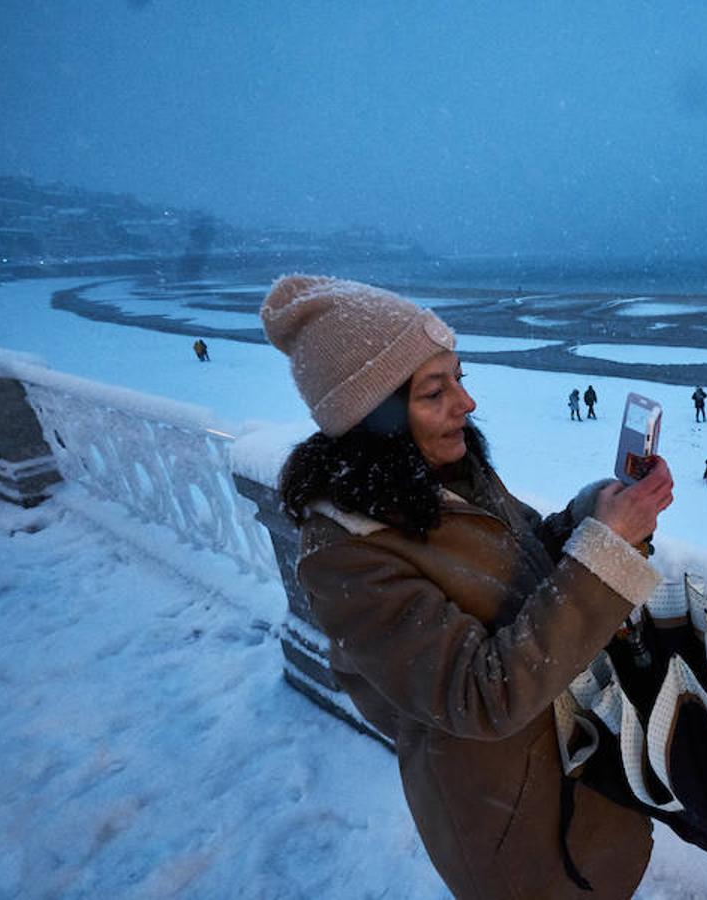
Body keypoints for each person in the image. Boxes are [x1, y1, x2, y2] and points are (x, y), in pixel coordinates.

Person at [261, 275, 673, 898]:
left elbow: (531, 558)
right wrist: (606, 553)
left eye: (460, 376)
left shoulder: (446, 474)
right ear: (376, 417)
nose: (467, 404)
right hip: (512, 812)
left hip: (581, 766)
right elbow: (481, 696)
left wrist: (600, 515)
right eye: (436, 391)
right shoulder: (345, 553)